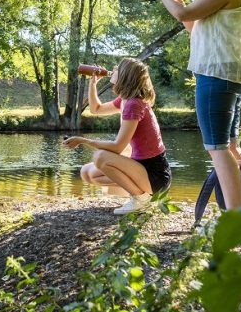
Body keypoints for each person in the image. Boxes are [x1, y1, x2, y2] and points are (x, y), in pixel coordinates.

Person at [150, 0, 241, 209]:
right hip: (229, 75)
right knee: (229, 145)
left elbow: (182, 14)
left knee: (216, 147)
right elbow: (191, 26)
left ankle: (234, 217)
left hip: (216, 75)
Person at [63, 58, 172, 215]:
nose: (114, 69)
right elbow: (96, 109)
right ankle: (137, 193)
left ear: (126, 76)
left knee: (100, 157)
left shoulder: (134, 104)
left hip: (155, 176)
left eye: (118, 68)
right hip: (142, 168)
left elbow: (117, 146)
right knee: (87, 172)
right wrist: (93, 84)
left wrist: (84, 140)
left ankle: (141, 199)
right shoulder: (125, 100)